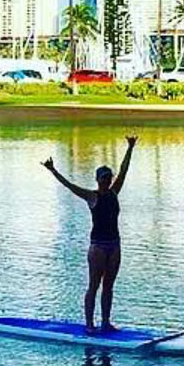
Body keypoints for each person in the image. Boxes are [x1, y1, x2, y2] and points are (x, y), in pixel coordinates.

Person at [42, 135, 137, 333]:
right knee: (94, 285)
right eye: (103, 178)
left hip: (114, 245)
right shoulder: (91, 196)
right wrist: (53, 170)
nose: (107, 180)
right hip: (98, 247)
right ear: (97, 179)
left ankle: (106, 322)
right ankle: (89, 325)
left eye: (108, 177)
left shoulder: (114, 192)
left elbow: (124, 170)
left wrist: (130, 147)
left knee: (109, 286)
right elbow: (69, 186)